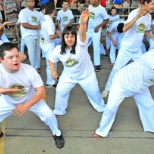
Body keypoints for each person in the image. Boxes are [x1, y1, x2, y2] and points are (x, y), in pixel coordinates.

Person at [0, 42, 65, 149]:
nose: (15, 60)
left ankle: (57, 133)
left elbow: (41, 91)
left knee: (49, 114)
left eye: (17, 56)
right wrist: (8, 90)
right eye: (10, 57)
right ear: (1, 60)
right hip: (8, 102)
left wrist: (25, 106)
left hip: (30, 99)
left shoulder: (29, 70)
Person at [48, 9, 106, 116]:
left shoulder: (81, 43)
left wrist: (83, 23)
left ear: (75, 37)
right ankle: (59, 110)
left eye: (72, 36)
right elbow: (51, 59)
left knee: (95, 93)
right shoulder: (58, 49)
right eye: (67, 36)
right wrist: (52, 71)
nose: (70, 39)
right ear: (63, 37)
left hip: (87, 75)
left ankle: (101, 107)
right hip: (69, 76)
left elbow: (82, 34)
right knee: (60, 90)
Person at [93, 51, 154, 139]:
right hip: (121, 83)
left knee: (149, 105)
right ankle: (101, 131)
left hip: (141, 88)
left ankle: (152, 127)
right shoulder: (150, 57)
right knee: (110, 108)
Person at [102, 0, 154, 98]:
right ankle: (107, 89)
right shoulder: (133, 13)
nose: (153, 7)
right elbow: (125, 29)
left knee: (142, 69)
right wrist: (137, 17)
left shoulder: (149, 17)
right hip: (126, 49)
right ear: (145, 3)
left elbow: (146, 31)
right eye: (152, 4)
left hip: (137, 49)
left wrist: (152, 37)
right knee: (116, 69)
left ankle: (139, 89)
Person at [39, 2, 61, 88]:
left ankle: (53, 79)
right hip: (49, 44)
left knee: (50, 63)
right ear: (53, 10)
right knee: (51, 63)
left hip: (44, 43)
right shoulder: (49, 21)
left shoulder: (44, 18)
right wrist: (58, 35)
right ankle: (51, 82)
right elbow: (51, 36)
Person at [19, 0, 41, 72]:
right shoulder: (23, 12)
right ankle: (33, 68)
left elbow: (40, 23)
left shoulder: (37, 13)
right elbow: (24, 24)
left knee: (38, 51)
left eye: (32, 1)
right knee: (31, 51)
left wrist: (39, 27)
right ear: (26, 3)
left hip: (37, 34)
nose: (31, 3)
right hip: (28, 34)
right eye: (29, 1)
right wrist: (36, 27)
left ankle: (37, 66)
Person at [87, 0, 109, 72]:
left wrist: (98, 26)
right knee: (83, 44)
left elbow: (106, 20)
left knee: (96, 46)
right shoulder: (90, 6)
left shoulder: (102, 9)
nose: (91, 0)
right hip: (89, 30)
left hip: (96, 30)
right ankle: (81, 62)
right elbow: (88, 17)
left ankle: (97, 64)